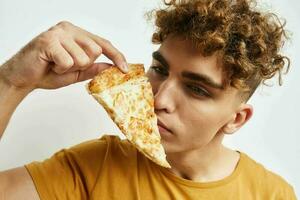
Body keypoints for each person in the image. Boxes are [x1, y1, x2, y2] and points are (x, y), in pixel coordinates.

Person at [0, 0, 297, 199]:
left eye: (197, 89)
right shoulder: (95, 166)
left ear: (236, 118)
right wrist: (11, 81)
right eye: (159, 70)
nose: (160, 99)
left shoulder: (271, 194)